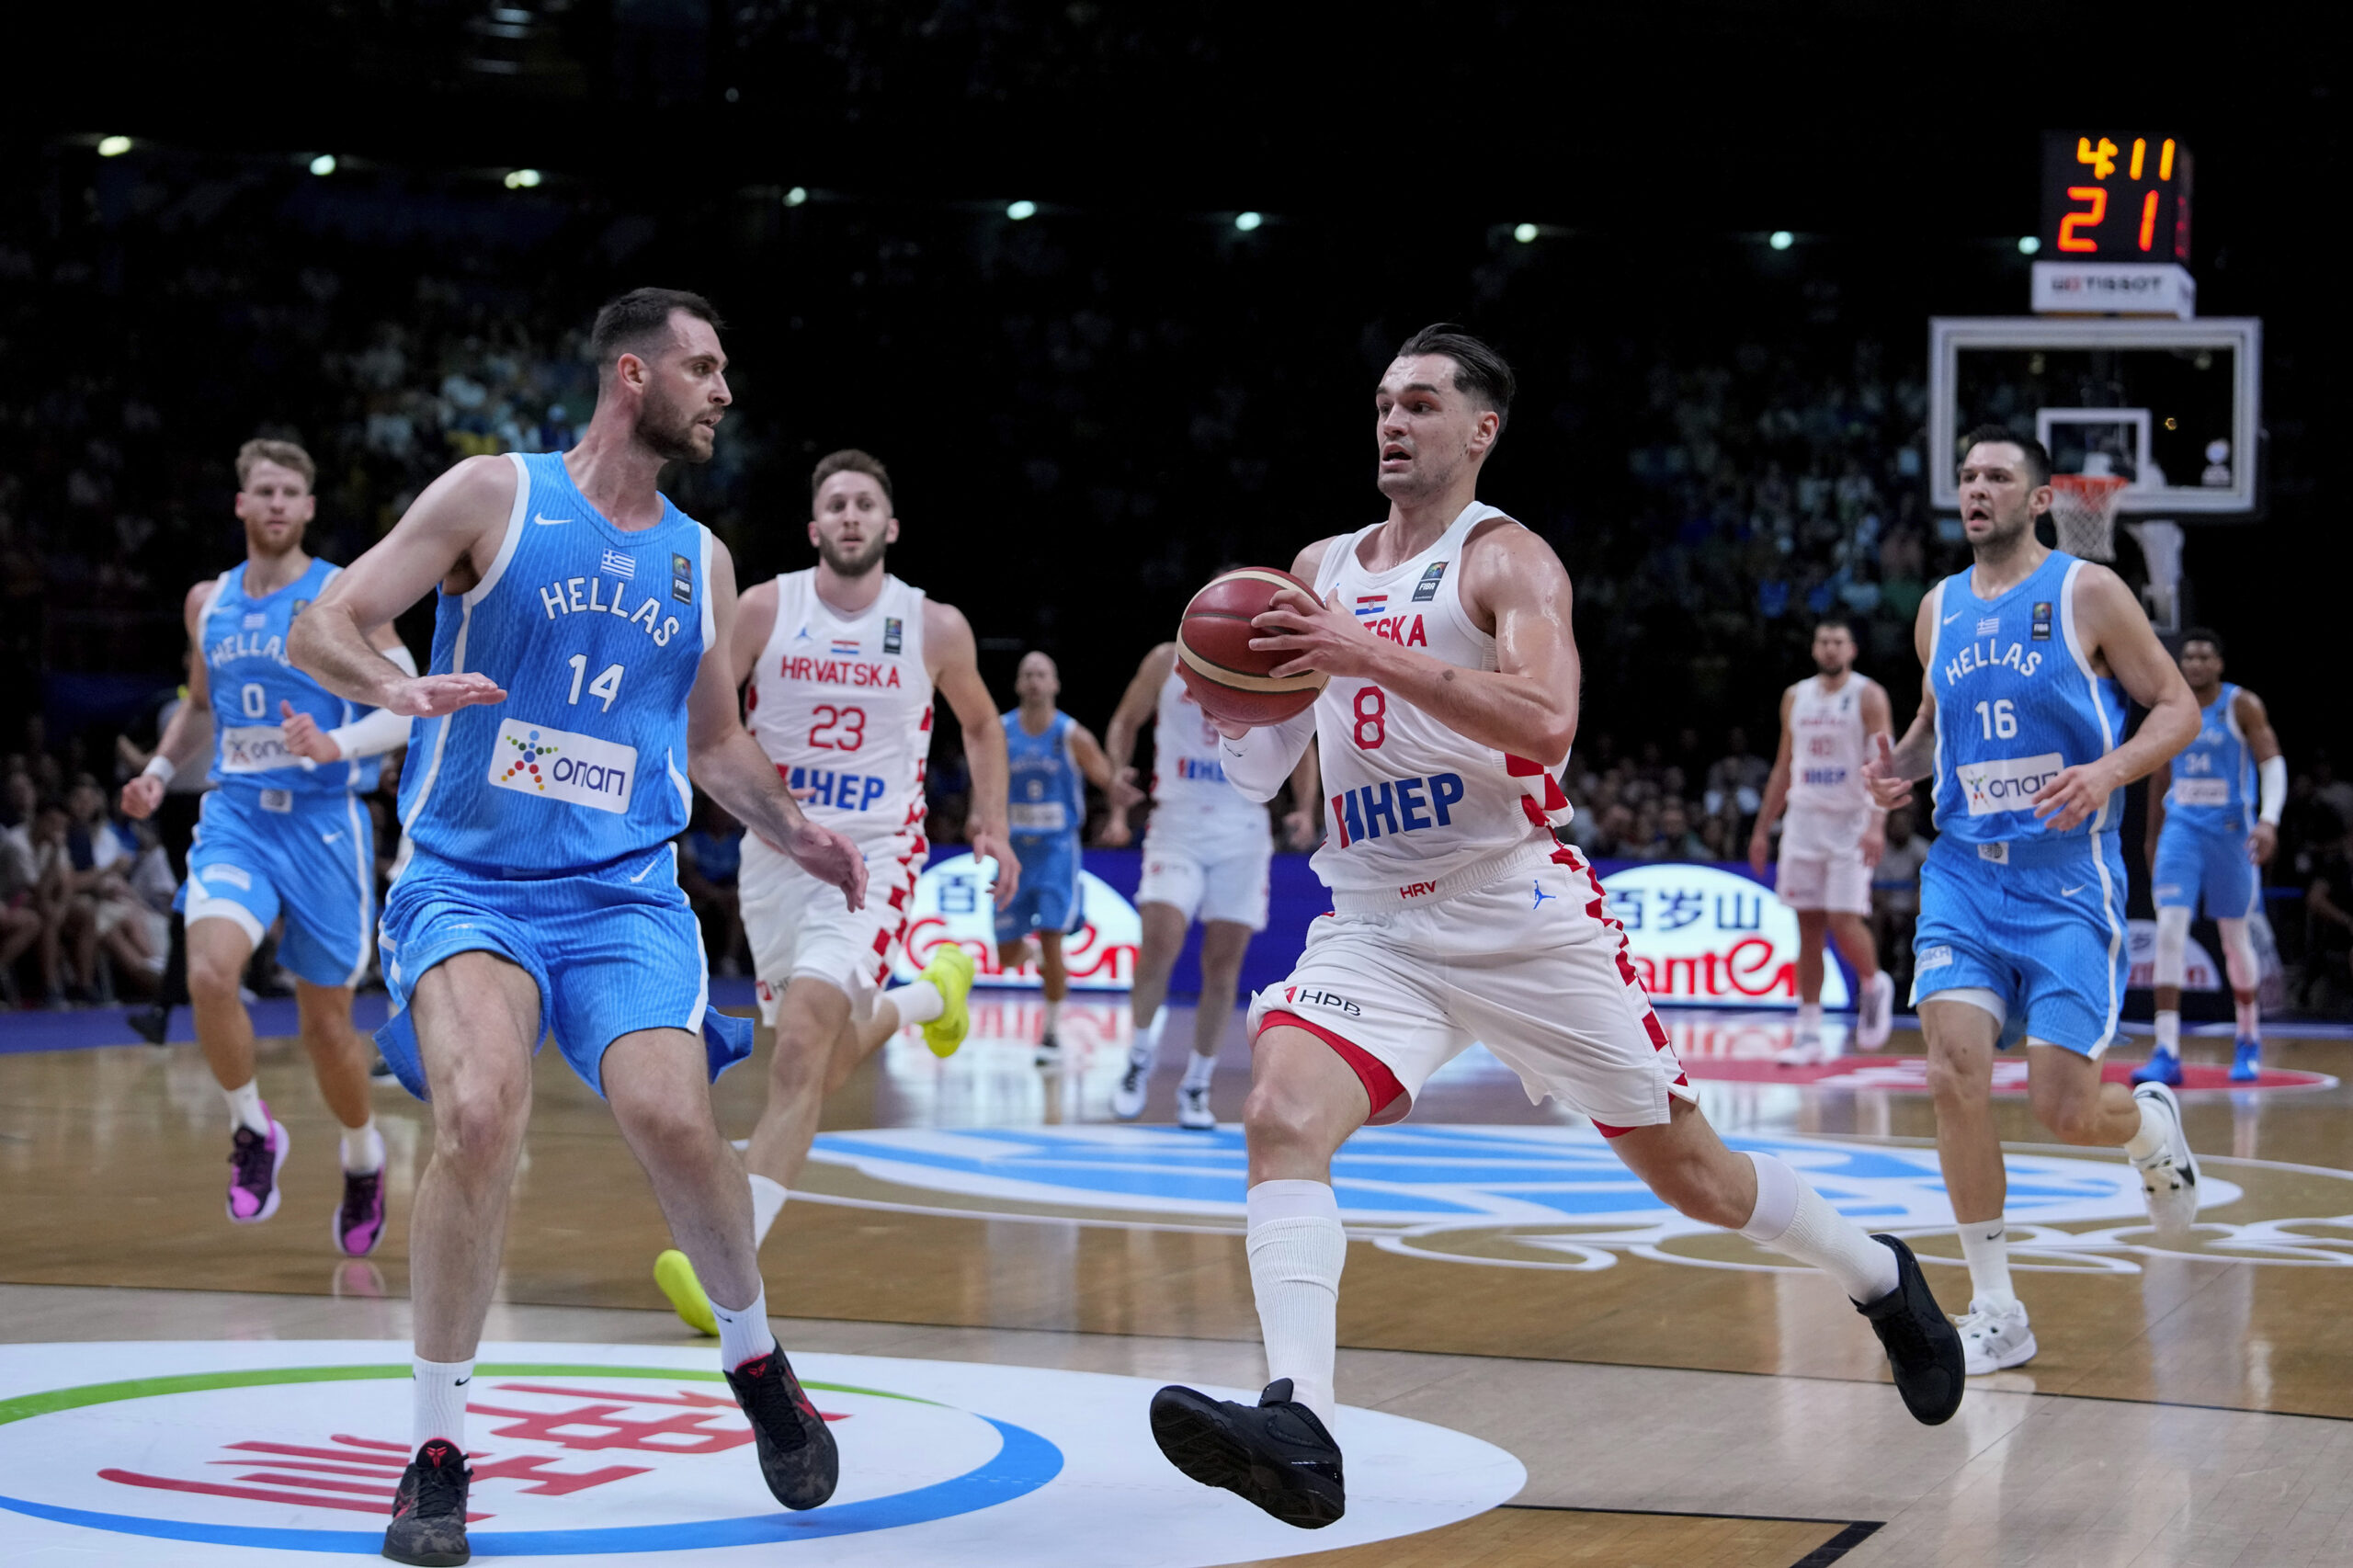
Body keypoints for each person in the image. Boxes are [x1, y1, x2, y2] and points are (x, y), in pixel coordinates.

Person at [1149, 324, 1963, 1531]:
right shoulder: (1317, 564)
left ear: (1480, 429)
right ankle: (1300, 1424)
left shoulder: (1507, 562)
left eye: (1421, 404)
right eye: (1382, 401)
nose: (1392, 421)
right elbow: (1267, 763)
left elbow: (1544, 724)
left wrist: (1362, 649)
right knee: (1277, 1110)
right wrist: (1232, 699)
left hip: (1516, 906)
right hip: (1371, 919)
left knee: (1697, 1176)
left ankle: (1879, 1275)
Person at [290, 289, 870, 1564]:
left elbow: (712, 740)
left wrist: (796, 831)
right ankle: (436, 1449)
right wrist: (392, 681)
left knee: (671, 1117)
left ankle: (755, 1353)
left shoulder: (701, 559)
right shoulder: (494, 495)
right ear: (631, 375)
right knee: (481, 1111)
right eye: (704, 368)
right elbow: (320, 617)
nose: (723, 392)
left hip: (623, 893)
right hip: (466, 886)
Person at [653, 447, 1017, 1339]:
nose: (850, 516)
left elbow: (978, 720)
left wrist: (992, 824)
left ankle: (728, 1269)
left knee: (802, 1046)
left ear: (888, 527)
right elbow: (704, 714)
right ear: (813, 528)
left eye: (865, 504)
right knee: (813, 1061)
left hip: (873, 858)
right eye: (835, 505)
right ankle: (932, 991)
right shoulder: (765, 608)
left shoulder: (931, 625)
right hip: (775, 856)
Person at [1862, 427, 2202, 1381]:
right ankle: (1997, 1307)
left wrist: (2108, 769)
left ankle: (2141, 1125)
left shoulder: (2087, 591)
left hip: (2066, 882)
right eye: (1967, 476)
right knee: (1952, 1070)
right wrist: (1902, 768)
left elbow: (2177, 707)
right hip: (1966, 871)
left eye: (1996, 476)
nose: (1976, 489)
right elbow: (1935, 731)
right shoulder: (1937, 609)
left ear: (2041, 497)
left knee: (2060, 1106)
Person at [119, 439, 413, 1251]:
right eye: (264, 491)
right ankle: (253, 1129)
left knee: (326, 1029)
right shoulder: (207, 603)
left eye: (292, 491)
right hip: (237, 815)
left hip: (324, 823)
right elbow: (200, 706)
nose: (278, 503)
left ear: (310, 508)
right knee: (210, 972)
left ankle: (362, 1156)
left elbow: (407, 695)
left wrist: (341, 745)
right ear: (241, 505)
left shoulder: (343, 594)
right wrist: (157, 769)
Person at [1103, 641, 1316, 1129]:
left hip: (1241, 828)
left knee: (1223, 965)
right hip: (1176, 821)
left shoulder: (1267, 669)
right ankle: (1137, 1058)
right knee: (1158, 941)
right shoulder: (1164, 661)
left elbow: (1304, 739)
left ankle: (1197, 1083)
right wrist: (1117, 770)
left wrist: (1306, 808)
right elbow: (1123, 720)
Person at [2134, 629, 2283, 1085]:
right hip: (2181, 830)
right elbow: (2160, 776)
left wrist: (2269, 820)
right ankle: (2166, 1050)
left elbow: (2271, 762)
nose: (2195, 664)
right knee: (2170, 934)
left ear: (2218, 664)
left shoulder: (2242, 705)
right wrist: (2151, 838)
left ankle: (2248, 1037)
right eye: (2189, 657)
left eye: (2204, 657)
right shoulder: (2170, 710)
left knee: (2233, 940)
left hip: (2231, 833)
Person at [1748, 618, 1898, 1052]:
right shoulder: (1796, 696)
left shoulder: (1868, 695)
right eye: (1823, 641)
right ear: (1815, 649)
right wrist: (1762, 829)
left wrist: (1877, 822)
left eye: (1838, 642)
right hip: (1803, 822)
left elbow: (1883, 763)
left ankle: (1873, 984)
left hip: (1851, 821)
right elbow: (1783, 766)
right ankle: (1809, 1029)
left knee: (1842, 919)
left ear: (1852, 650)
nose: (1830, 648)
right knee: (1807, 927)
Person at [998, 650, 1120, 1066]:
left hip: (1056, 851)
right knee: (1005, 954)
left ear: (1054, 684)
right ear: (1018, 684)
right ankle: (1031, 958)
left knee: (1052, 939)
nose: (1034, 681)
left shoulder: (1071, 735)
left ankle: (1050, 1034)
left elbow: (1107, 778)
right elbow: (985, 779)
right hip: (1013, 852)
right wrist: (980, 814)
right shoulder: (1000, 731)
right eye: (1027, 674)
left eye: (1041, 674)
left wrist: (1119, 814)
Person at [1870, 806, 1929, 1005]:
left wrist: (1916, 905)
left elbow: (1929, 884)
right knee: (1876, 920)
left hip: (1913, 909)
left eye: (1904, 825)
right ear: (1888, 827)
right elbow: (1876, 891)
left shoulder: (1921, 848)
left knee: (1922, 920)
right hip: (1886, 908)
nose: (1900, 829)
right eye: (1896, 825)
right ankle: (1874, 977)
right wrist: (1888, 911)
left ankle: (1918, 982)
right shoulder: (1880, 848)